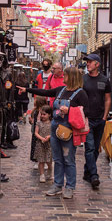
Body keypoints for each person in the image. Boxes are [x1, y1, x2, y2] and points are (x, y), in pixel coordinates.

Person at [17, 67, 88, 199]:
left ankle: (70, 187)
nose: (63, 77)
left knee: (68, 159)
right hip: (55, 129)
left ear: (71, 77)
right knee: (57, 159)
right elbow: (44, 91)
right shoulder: (61, 90)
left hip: (68, 131)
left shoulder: (81, 93)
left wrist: (70, 110)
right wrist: (27, 89)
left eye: (65, 75)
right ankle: (57, 184)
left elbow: (87, 112)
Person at [82, 54, 111, 190]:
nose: (87, 64)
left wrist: (105, 117)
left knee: (96, 149)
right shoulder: (83, 80)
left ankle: (87, 171)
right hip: (87, 119)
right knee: (90, 147)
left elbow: (107, 99)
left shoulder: (105, 80)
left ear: (97, 64)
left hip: (100, 119)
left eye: (89, 62)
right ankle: (94, 175)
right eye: (87, 62)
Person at [34, 105, 54, 183]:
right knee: (41, 160)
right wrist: (41, 138)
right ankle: (41, 175)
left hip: (49, 144)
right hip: (40, 144)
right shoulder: (39, 123)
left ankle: (49, 170)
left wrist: (49, 137)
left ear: (49, 114)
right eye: (41, 114)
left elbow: (54, 133)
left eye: (44, 114)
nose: (42, 116)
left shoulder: (52, 123)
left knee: (49, 160)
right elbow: (36, 133)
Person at [29, 96, 47, 163]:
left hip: (42, 131)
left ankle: (43, 161)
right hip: (35, 131)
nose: (34, 101)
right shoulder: (35, 111)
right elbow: (34, 121)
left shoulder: (43, 111)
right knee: (35, 146)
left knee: (43, 146)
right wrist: (31, 121)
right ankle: (36, 160)